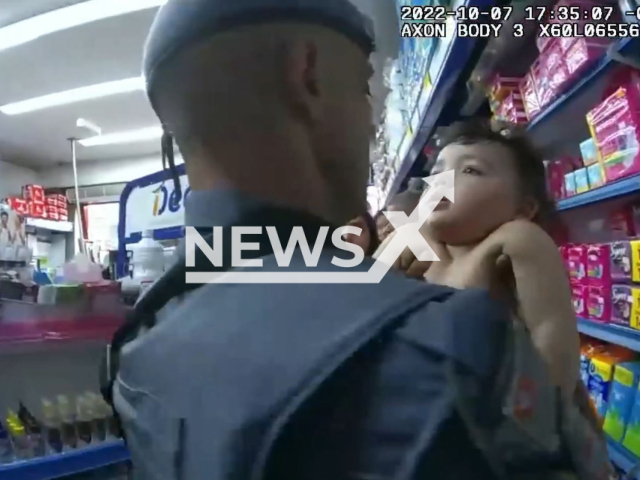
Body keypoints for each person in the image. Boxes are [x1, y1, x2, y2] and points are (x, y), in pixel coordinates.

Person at [105, 2, 612, 479]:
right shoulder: (446, 351)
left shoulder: (137, 339)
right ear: (307, 76)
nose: (372, 126)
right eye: (365, 88)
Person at [377, 121, 580, 402]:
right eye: (436, 172)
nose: (441, 182)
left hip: (498, 417)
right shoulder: (415, 243)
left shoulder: (516, 239)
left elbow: (551, 335)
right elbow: (362, 308)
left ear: (522, 208)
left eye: (470, 170)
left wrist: (543, 414)